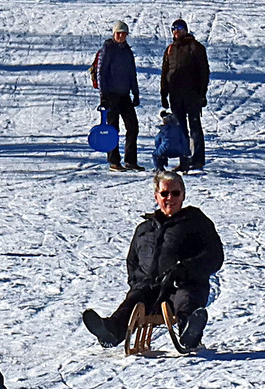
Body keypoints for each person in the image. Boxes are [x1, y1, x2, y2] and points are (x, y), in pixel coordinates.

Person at [82, 172, 224, 353]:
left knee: (186, 299)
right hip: (149, 288)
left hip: (182, 284)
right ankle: (110, 331)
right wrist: (136, 283)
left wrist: (185, 270)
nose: (170, 198)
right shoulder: (144, 229)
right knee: (133, 302)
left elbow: (214, 256)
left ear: (183, 195)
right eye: (164, 194)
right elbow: (132, 261)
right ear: (156, 196)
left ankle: (190, 331)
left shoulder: (196, 223)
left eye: (175, 193)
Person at [90, 21, 141, 172]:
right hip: (110, 95)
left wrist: (135, 92)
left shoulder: (127, 51)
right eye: (118, 33)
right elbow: (101, 72)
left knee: (133, 127)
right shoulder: (108, 49)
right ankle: (114, 161)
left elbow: (132, 73)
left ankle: (130, 161)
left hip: (124, 95)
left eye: (123, 33)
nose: (120, 36)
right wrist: (103, 95)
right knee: (113, 129)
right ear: (114, 34)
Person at [160, 19, 209, 170]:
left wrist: (202, 93)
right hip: (175, 95)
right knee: (180, 129)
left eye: (180, 28)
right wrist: (164, 93)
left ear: (186, 30)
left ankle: (197, 159)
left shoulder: (195, 47)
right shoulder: (170, 49)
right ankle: (184, 161)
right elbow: (165, 72)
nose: (177, 31)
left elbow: (204, 72)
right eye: (174, 28)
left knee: (195, 126)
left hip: (192, 94)